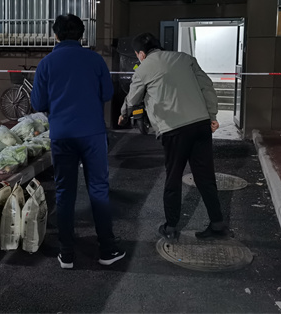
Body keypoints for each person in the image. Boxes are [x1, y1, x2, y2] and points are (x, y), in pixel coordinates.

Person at [31, 14, 125, 269]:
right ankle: (107, 249)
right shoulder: (95, 60)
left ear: (55, 35)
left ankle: (67, 253)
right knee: (98, 189)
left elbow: (38, 103)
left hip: (62, 135)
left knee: (64, 192)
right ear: (82, 35)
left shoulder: (46, 64)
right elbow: (107, 93)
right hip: (92, 134)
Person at [118, 32, 231, 241]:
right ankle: (217, 223)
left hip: (174, 130)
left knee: (173, 177)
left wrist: (124, 114)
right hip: (200, 124)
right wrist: (212, 115)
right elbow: (207, 86)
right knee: (205, 177)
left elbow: (132, 98)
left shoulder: (143, 68)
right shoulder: (185, 58)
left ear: (141, 54)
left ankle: (170, 227)